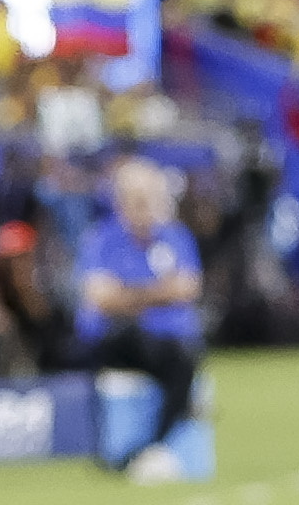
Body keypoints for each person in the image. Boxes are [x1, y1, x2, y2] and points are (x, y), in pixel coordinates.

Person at [74, 156, 205, 473]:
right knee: (134, 335)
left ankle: (147, 450)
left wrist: (129, 294)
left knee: (183, 359)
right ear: (121, 202)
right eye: (139, 199)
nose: (147, 206)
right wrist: (160, 293)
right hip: (116, 340)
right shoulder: (101, 238)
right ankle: (146, 449)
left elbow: (189, 288)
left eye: (152, 198)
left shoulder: (174, 237)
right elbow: (98, 297)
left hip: (168, 342)